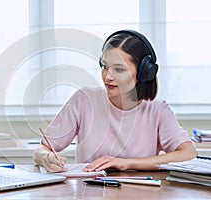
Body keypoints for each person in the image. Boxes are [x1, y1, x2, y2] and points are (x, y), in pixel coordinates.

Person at [33, 30, 197, 173]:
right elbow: (42, 149)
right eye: (105, 66)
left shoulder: (158, 110)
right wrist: (46, 157)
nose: (107, 76)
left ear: (142, 73)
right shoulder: (84, 100)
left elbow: (188, 154)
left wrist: (125, 163)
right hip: (91, 193)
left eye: (119, 69)